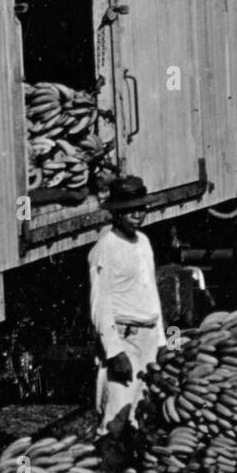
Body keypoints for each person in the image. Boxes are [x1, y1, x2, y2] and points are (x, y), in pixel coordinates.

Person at [89, 175, 165, 442]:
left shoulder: (143, 241)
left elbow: (151, 292)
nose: (137, 214)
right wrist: (114, 351)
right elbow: (100, 304)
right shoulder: (105, 248)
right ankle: (107, 469)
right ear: (115, 212)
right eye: (130, 209)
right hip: (125, 338)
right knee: (115, 416)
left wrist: (162, 340)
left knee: (140, 412)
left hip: (148, 337)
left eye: (141, 208)